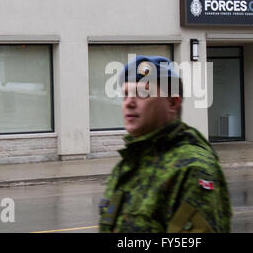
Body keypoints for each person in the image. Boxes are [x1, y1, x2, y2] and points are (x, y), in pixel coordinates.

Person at [99, 55, 232, 233]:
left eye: (143, 93)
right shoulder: (128, 165)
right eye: (125, 94)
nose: (129, 103)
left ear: (172, 102)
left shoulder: (192, 168)